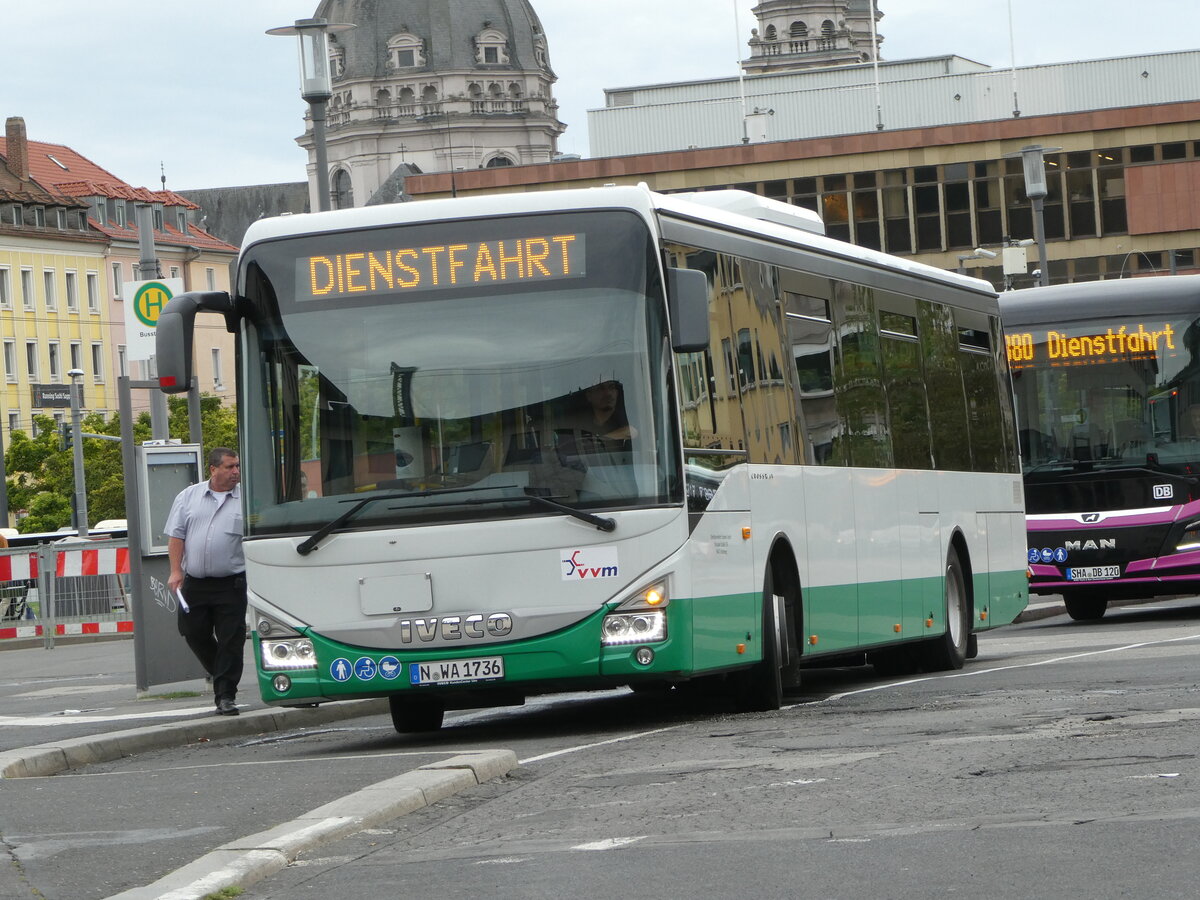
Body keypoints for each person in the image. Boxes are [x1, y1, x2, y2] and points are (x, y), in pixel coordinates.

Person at [165, 447, 246, 716]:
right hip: (195, 582)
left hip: (231, 582)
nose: (235, 472)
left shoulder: (246, 498)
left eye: (237, 466)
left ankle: (225, 696)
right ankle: (222, 673)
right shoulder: (189, 496)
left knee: (230, 640)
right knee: (192, 631)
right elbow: (176, 536)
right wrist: (176, 571)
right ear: (213, 469)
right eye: (229, 467)